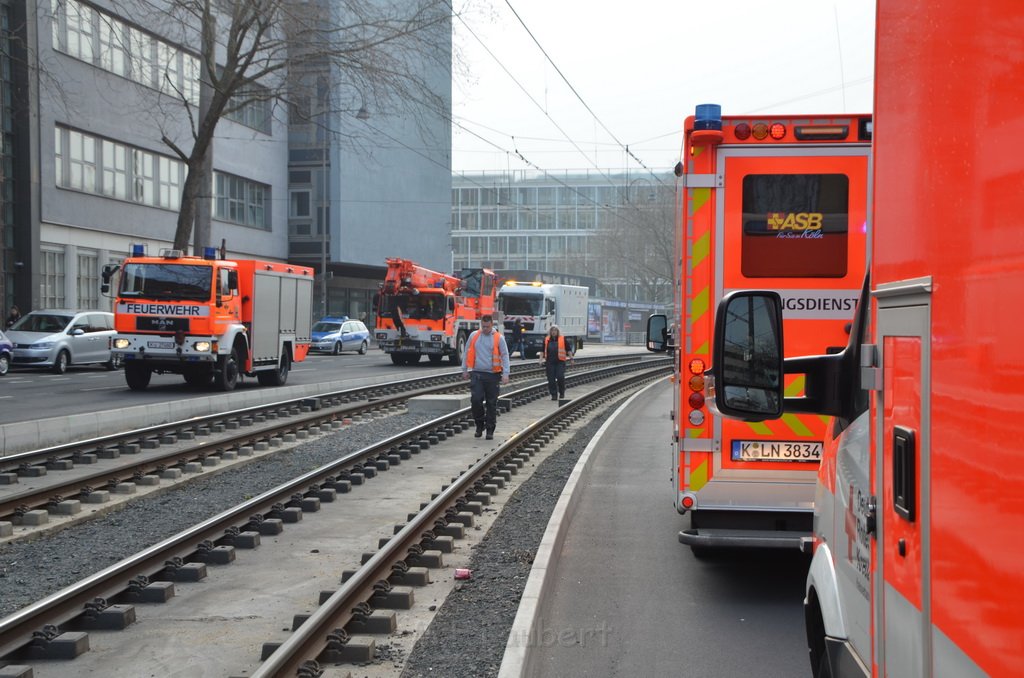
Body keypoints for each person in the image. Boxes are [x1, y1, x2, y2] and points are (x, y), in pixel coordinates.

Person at [461, 314, 510, 440]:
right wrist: (464, 369)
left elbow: (505, 355)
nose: (485, 329)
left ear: (492, 325)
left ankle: (490, 429)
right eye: (483, 326)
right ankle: (479, 424)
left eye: (487, 327)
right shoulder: (474, 336)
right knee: (476, 400)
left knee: (491, 403)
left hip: (493, 375)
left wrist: (506, 374)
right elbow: (467, 352)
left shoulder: (499, 338)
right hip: (477, 373)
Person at [540, 324, 573, 401]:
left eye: (555, 330)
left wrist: (571, 358)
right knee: (551, 380)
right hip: (550, 362)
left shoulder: (562, 339)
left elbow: (568, 349)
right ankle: (554, 394)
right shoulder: (546, 340)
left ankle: (561, 392)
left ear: (558, 331)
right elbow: (542, 351)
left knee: (560, 377)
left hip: (560, 362)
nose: (553, 332)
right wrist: (540, 360)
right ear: (550, 332)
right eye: (552, 330)